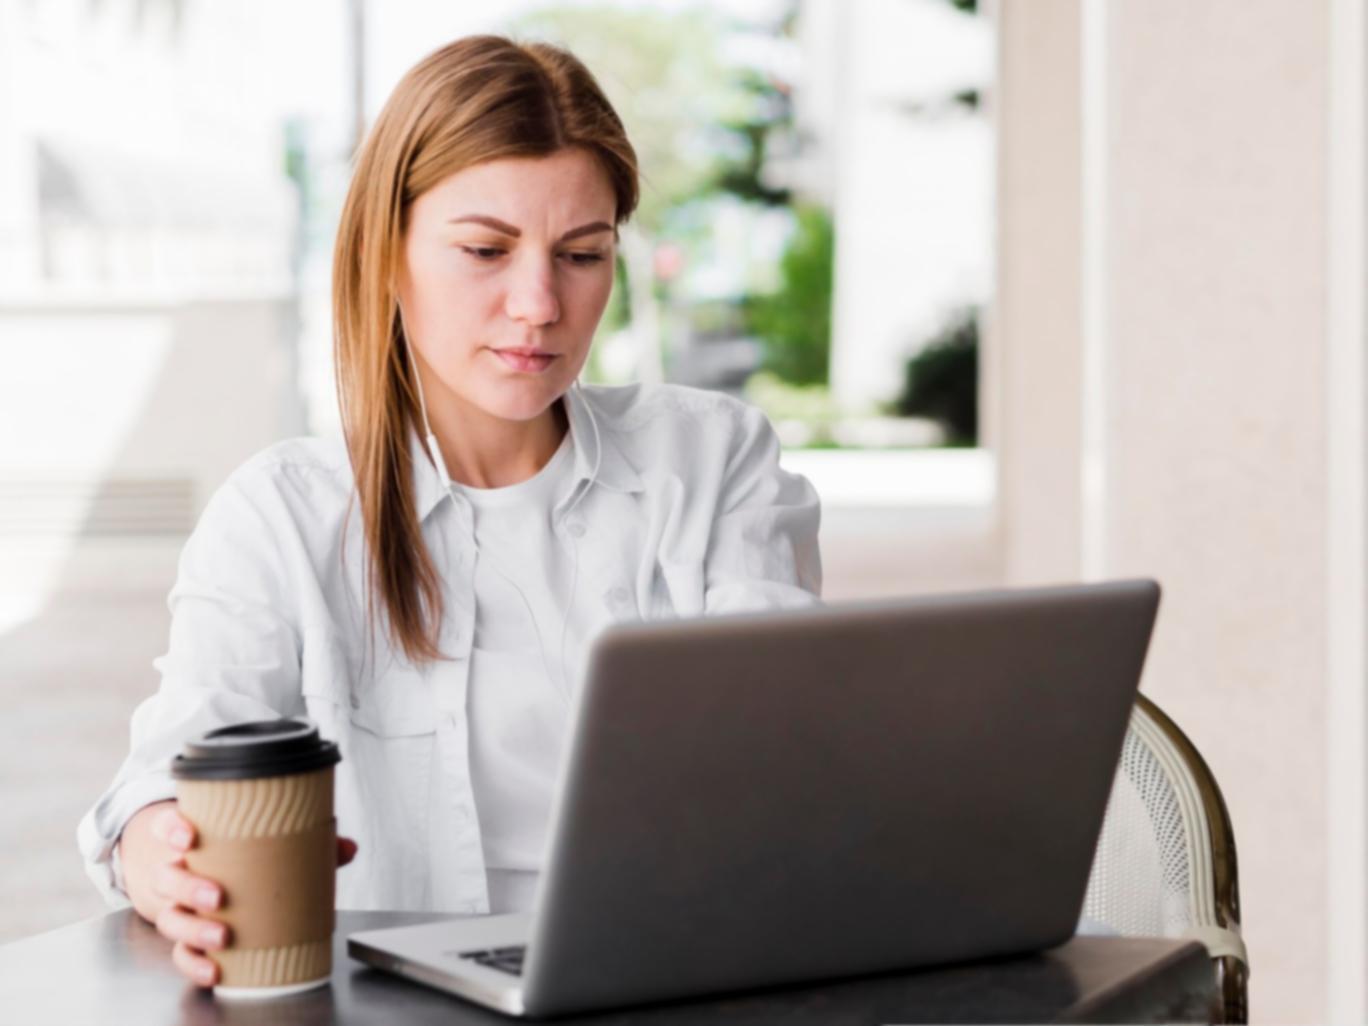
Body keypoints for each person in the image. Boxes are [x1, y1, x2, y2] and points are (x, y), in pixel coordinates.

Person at [77, 34, 821, 990]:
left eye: (583, 254)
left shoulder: (712, 461)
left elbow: (791, 752)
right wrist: (155, 845)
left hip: (684, 980)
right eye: (485, 250)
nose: (539, 303)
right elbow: (171, 765)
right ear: (388, 253)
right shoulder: (283, 516)